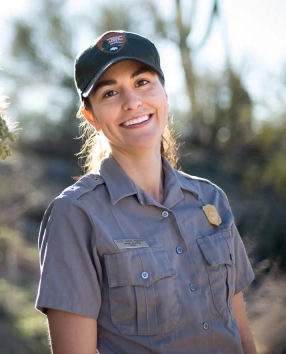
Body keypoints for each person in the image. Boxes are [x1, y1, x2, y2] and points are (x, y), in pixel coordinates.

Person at [35, 30, 257, 354]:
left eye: (142, 83)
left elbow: (242, 337)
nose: (132, 102)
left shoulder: (211, 200)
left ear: (165, 93)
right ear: (91, 116)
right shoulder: (75, 215)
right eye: (110, 93)